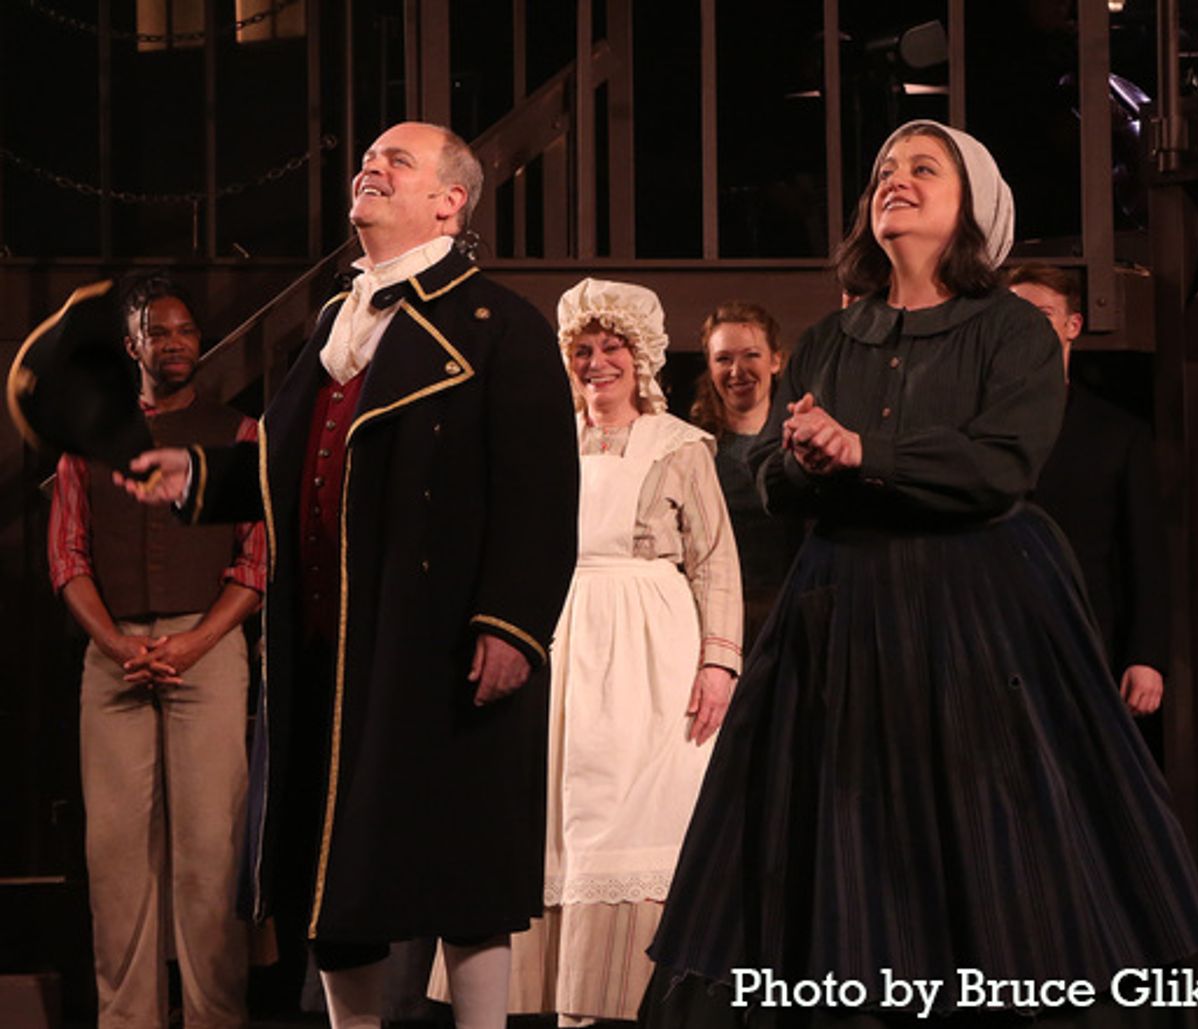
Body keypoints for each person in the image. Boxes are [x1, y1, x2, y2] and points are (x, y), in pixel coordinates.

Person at [644, 120, 1198, 1021]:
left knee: (990, 848)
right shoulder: (832, 338)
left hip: (976, 612)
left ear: (973, 207)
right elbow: (773, 479)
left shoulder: (1009, 333)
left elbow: (1001, 466)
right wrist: (803, 458)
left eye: (922, 169)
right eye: (884, 170)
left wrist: (865, 449)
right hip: (843, 609)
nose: (895, 181)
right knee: (843, 846)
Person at [117, 121, 580, 1029]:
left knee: (463, 869)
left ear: (451, 199)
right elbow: (290, 462)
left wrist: (511, 624)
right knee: (333, 869)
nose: (369, 169)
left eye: (394, 162)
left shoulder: (498, 325)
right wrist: (199, 477)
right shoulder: (339, 322)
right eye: (367, 159)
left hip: (440, 639)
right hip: (332, 646)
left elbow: (540, 494)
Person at [501, 278, 742, 1025]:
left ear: (640, 358)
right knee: (560, 815)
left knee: (638, 817)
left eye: (611, 349)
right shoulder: (545, 438)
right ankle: (561, 1002)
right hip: (564, 637)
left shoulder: (679, 447)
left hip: (648, 646)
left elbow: (715, 559)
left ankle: (630, 1000)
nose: (596, 362)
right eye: (583, 349)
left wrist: (718, 662)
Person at [47, 275, 264, 1028]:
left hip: (207, 648)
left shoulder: (236, 433)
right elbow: (67, 555)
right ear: (134, 344)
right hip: (115, 655)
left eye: (185, 333)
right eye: (159, 333)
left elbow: (255, 560)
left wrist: (197, 641)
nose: (175, 345)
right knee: (115, 857)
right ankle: (127, 1018)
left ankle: (214, 1015)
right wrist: (118, 645)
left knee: (211, 848)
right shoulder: (92, 435)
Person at [1007, 262, 1169, 718]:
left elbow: (1146, 553)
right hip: (995, 639)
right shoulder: (977, 425)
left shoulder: (1118, 434)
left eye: (1040, 314)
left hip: (1086, 641)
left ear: (1072, 325)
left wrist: (1147, 655)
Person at [689, 302, 804, 647]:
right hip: (715, 622)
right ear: (710, 368)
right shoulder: (694, 450)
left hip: (792, 618)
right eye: (723, 359)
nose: (737, 370)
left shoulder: (802, 442)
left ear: (776, 360)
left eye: (751, 355)